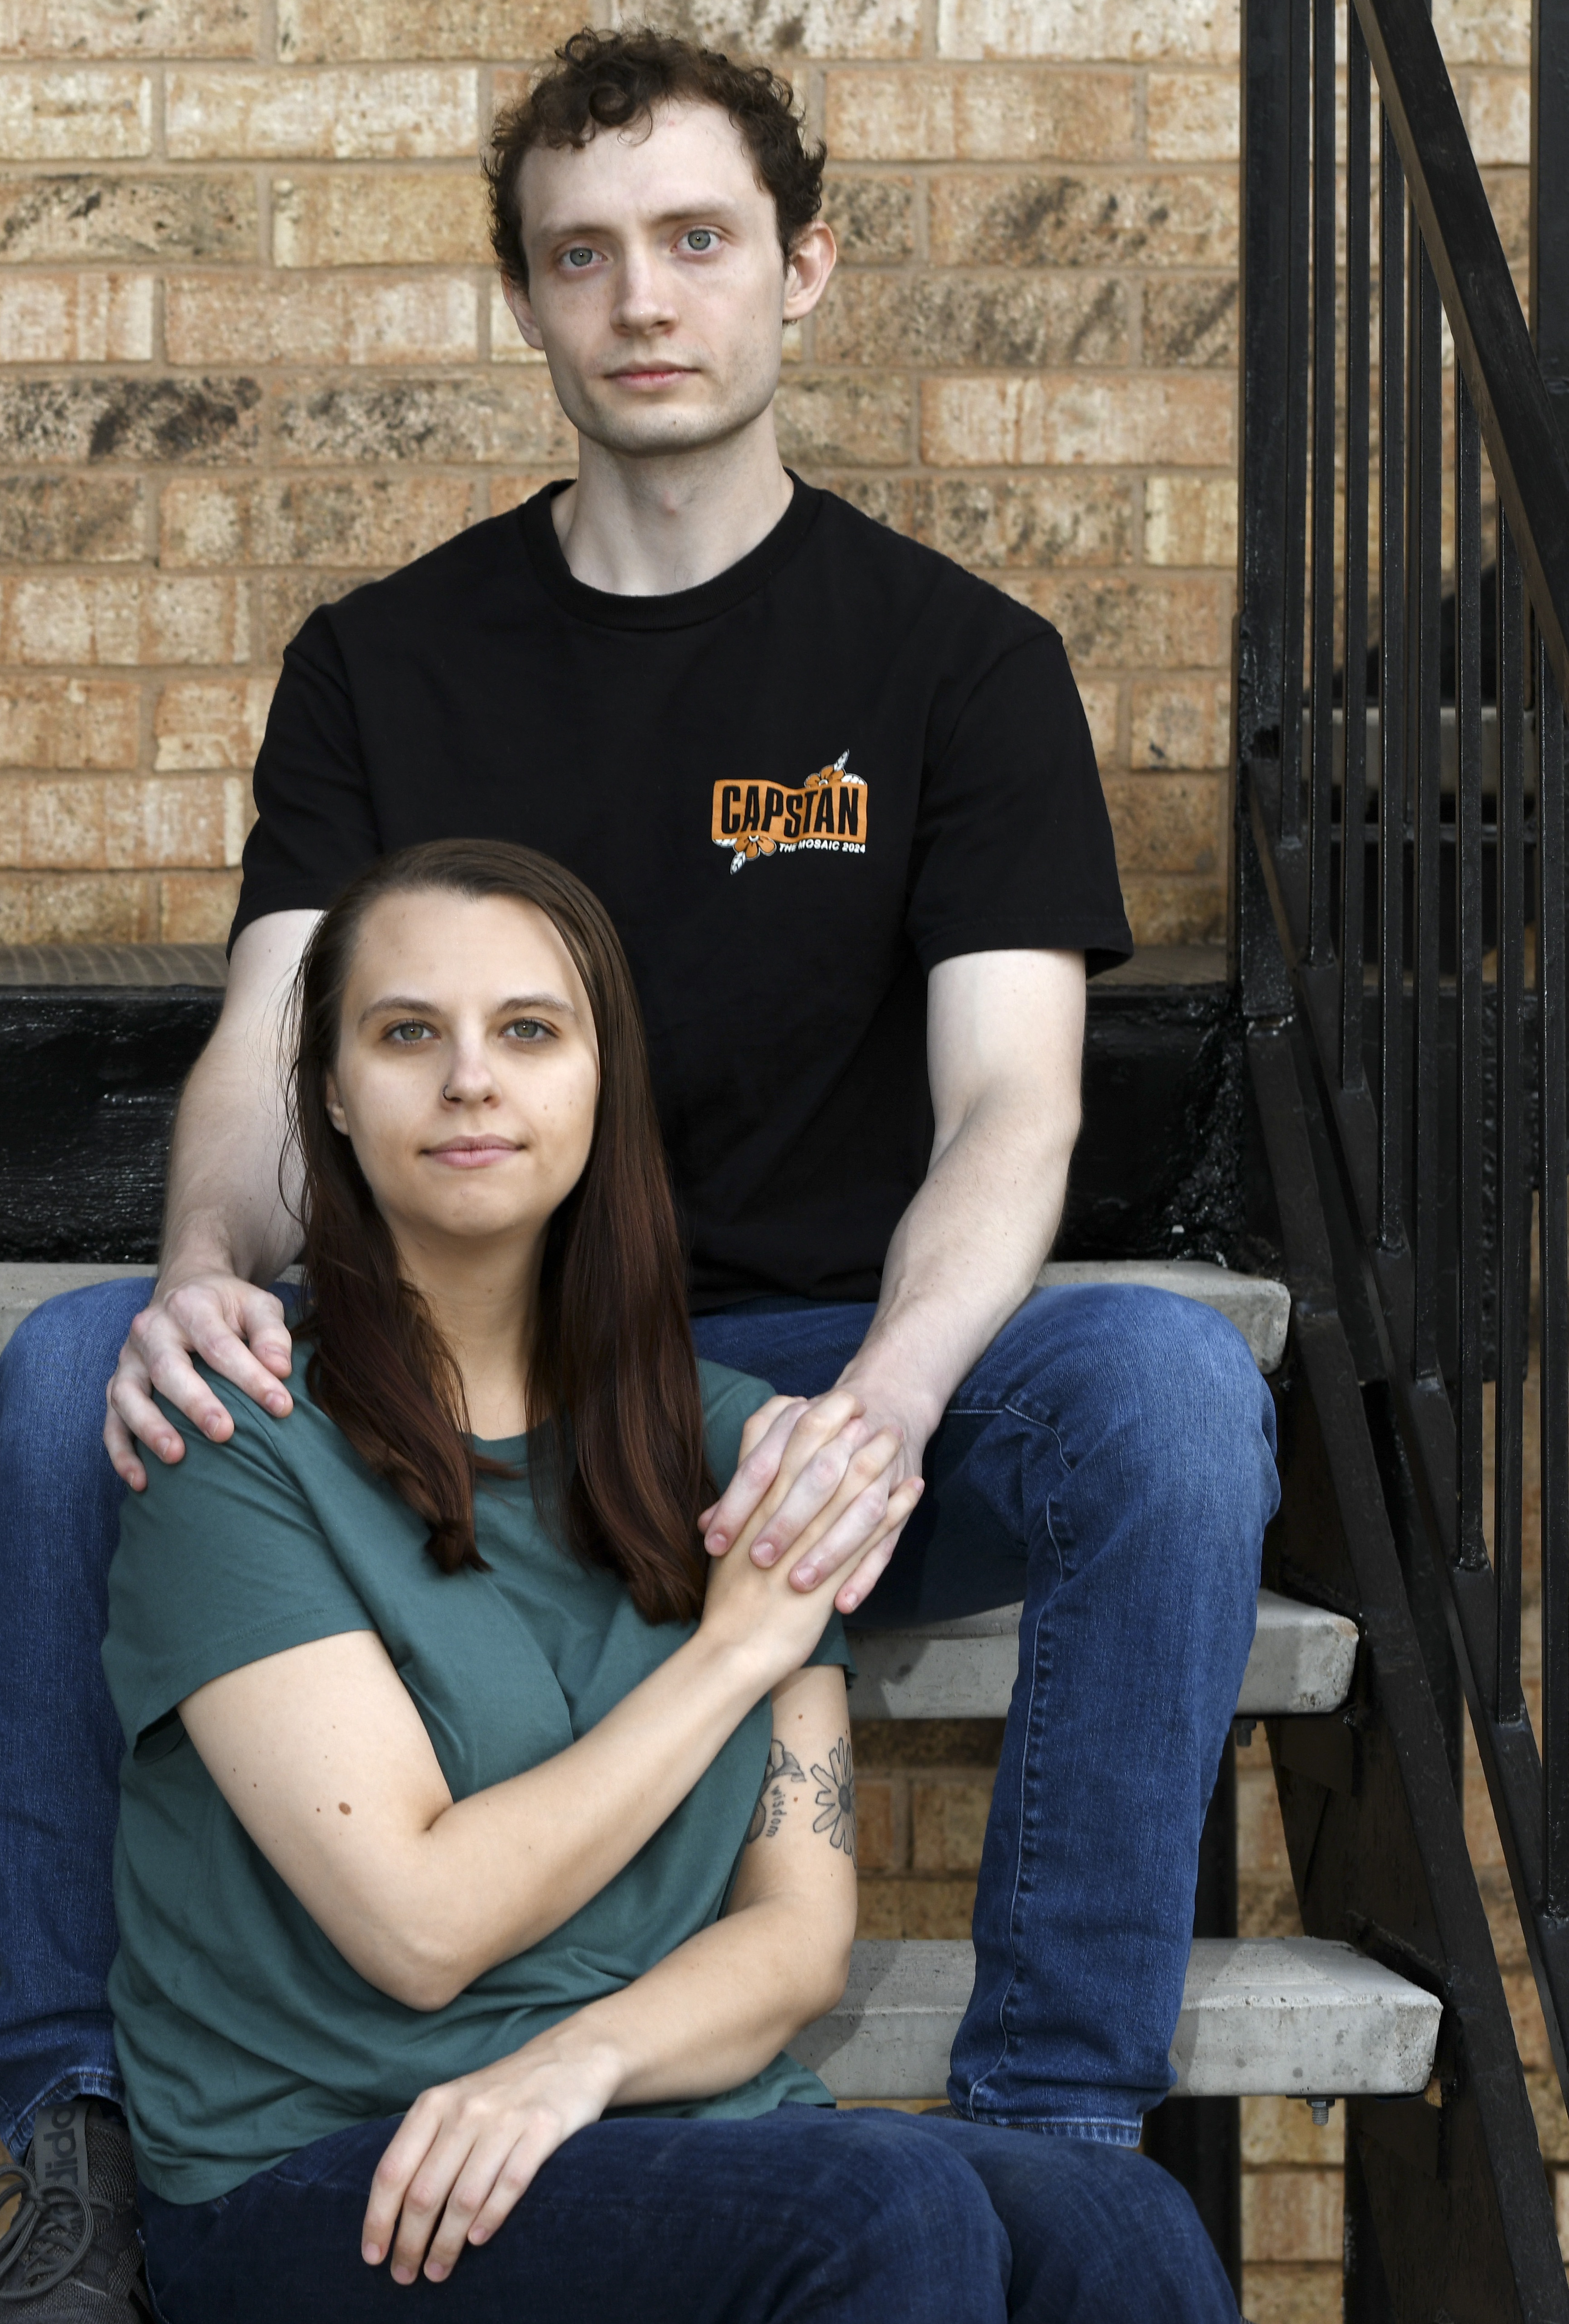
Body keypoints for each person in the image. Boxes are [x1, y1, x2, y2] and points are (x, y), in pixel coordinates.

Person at [0, 28, 1276, 2323]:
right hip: (454, 1363)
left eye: (692, 242)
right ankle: (75, 2120)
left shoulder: (954, 663)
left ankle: (1055, 2107)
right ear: (528, 303)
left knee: (1161, 1397)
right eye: (583, 258)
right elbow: (276, 1040)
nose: (642, 300)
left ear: (800, 273)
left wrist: (882, 1404)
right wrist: (190, 1263)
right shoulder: (385, 659)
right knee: (89, 1366)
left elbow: (1011, 1112)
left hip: (787, 1381)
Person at [95, 840, 1238, 2322]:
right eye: (404, 1034)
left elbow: (795, 1935)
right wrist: (731, 1660)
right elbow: (420, 1925)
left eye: (527, 1031)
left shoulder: (740, 1448)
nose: (468, 1081)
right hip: (326, 2168)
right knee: (875, 2211)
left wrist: (582, 2065)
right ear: (325, 1091)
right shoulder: (236, 1440)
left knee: (1113, 2218)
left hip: (630, 2116)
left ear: (599, 1084)